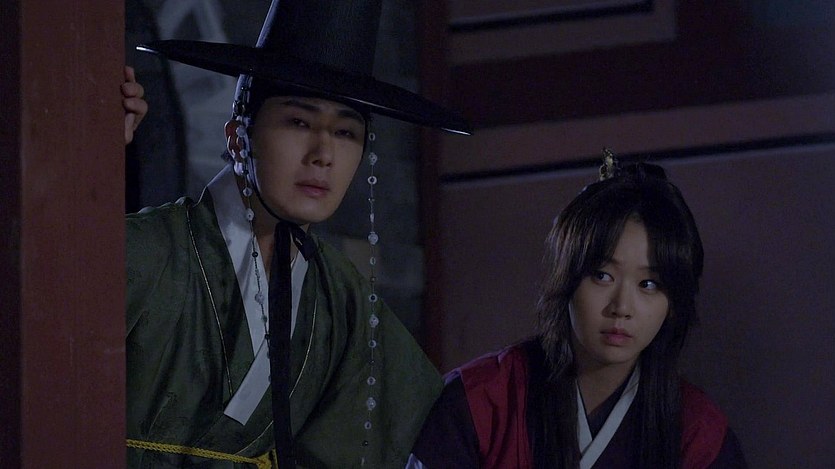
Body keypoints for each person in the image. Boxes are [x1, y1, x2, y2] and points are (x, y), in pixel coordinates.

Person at [121, 1, 470, 468]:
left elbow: (429, 423)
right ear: (237, 135)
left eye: (345, 133)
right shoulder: (146, 251)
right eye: (299, 122)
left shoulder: (342, 301)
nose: (323, 153)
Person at [408, 156, 748, 468]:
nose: (621, 308)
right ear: (567, 278)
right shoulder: (480, 401)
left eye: (649, 284)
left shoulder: (698, 431)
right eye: (602, 275)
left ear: (673, 303)